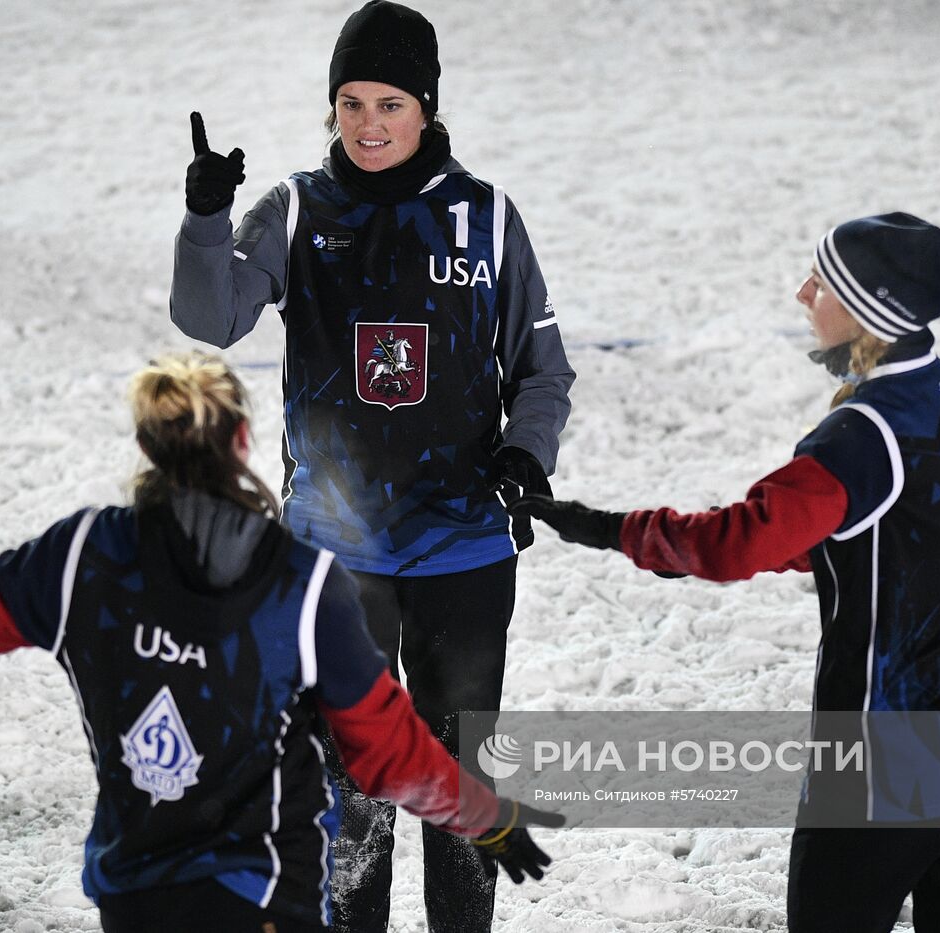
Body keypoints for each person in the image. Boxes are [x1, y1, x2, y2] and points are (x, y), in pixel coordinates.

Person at [512, 214, 940, 933]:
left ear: (866, 310)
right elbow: (881, 532)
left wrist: (604, 527)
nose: (801, 293)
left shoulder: (859, 435)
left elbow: (737, 543)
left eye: (820, 282)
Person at [169, 3, 574, 930]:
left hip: (465, 549)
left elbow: (543, 370)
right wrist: (204, 220)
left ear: (426, 107)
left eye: (390, 101)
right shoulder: (299, 209)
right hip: (336, 554)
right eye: (350, 103)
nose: (369, 123)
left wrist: (525, 450)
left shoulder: (487, 219)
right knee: (349, 788)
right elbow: (213, 316)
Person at [0, 352, 562, 933]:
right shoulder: (304, 584)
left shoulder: (79, 557)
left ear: (147, 446)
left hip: (136, 898)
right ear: (244, 440)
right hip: (269, 901)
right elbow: (385, 753)